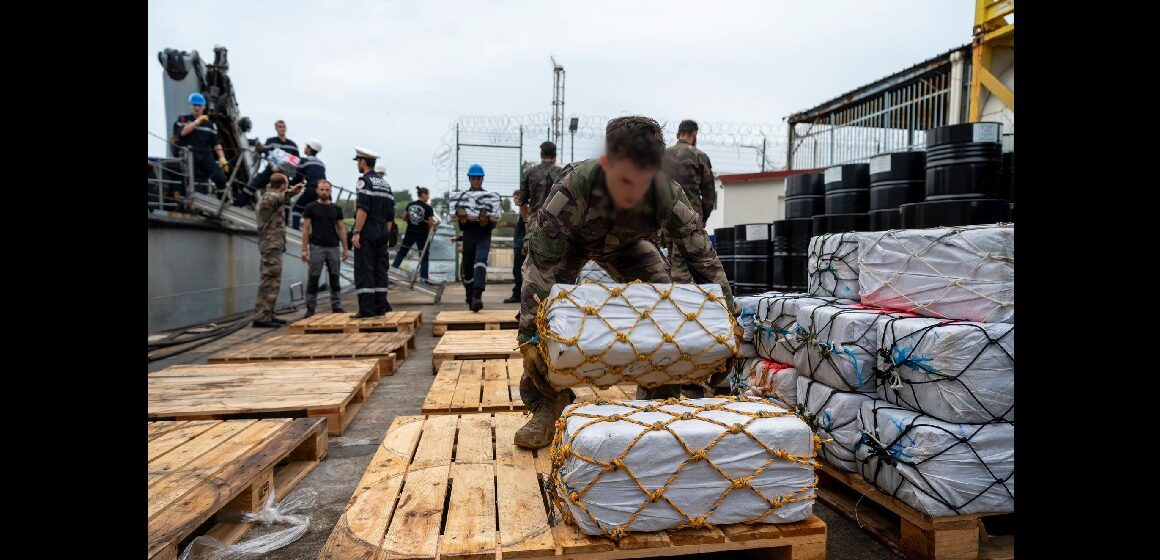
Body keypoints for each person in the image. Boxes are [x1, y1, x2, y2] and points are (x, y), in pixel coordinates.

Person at [512, 116, 735, 449]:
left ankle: (659, 393)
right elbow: (540, 265)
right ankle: (547, 404)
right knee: (548, 314)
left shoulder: (666, 194)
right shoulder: (573, 188)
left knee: (663, 295)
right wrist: (528, 334)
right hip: (572, 243)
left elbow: (702, 257)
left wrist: (729, 320)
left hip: (628, 246)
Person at [662, 119, 716, 283]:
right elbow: (709, 194)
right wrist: (703, 218)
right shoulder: (699, 156)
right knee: (682, 267)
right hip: (689, 218)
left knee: (668, 261)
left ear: (678, 134)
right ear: (694, 134)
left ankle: (667, 300)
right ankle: (681, 304)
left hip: (665, 216)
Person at [507, 141, 562, 303]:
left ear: (541, 155)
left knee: (530, 261)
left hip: (535, 222)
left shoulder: (530, 173)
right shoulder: (562, 172)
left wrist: (526, 221)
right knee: (556, 261)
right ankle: (554, 299)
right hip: (556, 222)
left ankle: (529, 300)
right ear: (555, 154)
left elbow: (522, 201)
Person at [253, 172, 304, 328]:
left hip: (273, 244)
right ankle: (261, 317)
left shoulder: (270, 196)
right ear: (283, 185)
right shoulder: (270, 197)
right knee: (268, 279)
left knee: (273, 281)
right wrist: (293, 192)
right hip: (270, 244)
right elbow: (280, 198)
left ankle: (268, 314)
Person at [350, 147, 396, 318]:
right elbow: (391, 215)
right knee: (380, 270)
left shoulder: (364, 182)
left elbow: (362, 209)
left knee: (365, 269)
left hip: (368, 230)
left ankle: (366, 309)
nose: (358, 165)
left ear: (363, 162)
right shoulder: (385, 184)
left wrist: (357, 232)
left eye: (358, 162)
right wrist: (385, 234)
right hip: (383, 231)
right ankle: (380, 307)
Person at [300, 180, 348, 317]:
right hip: (316, 246)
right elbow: (306, 229)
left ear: (330, 191)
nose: (324, 192)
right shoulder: (310, 207)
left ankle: (336, 305)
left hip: (333, 246)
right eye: (322, 190)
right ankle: (310, 307)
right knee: (313, 277)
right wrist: (304, 249)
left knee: (335, 277)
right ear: (317, 190)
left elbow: (341, 228)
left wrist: (345, 248)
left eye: (327, 190)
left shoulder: (336, 209)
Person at [171, 92, 229, 195]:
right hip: (189, 156)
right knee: (185, 182)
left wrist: (222, 158)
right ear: (190, 105)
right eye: (194, 105)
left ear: (204, 107)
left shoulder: (210, 125)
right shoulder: (182, 120)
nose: (197, 108)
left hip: (205, 156)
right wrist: (197, 122)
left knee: (221, 179)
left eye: (199, 105)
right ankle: (182, 202)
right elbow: (183, 132)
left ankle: (221, 201)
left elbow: (216, 144)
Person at [456, 164, 495, 312]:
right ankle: (470, 296)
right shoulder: (463, 198)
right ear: (469, 179)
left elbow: (494, 221)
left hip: (483, 235)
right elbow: (461, 225)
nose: (476, 181)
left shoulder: (490, 198)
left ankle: (477, 296)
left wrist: (486, 221)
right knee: (467, 269)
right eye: (474, 178)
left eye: (479, 178)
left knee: (480, 263)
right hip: (469, 236)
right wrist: (463, 220)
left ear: (482, 179)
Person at [239, 120, 299, 207]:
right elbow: (267, 154)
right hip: (271, 170)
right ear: (276, 129)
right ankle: (238, 204)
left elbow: (296, 160)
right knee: (253, 185)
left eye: (283, 127)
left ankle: (285, 218)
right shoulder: (271, 141)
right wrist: (272, 165)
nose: (282, 129)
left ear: (286, 128)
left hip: (284, 175)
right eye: (280, 127)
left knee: (286, 196)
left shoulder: (293, 145)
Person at [392, 186, 436, 283]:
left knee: (402, 252)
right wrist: (429, 231)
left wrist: (411, 222)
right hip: (422, 234)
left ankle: (392, 271)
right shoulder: (428, 207)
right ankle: (424, 279)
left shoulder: (410, 205)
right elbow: (430, 223)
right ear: (423, 194)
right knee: (424, 256)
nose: (428, 197)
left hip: (410, 232)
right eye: (428, 194)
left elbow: (404, 217)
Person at [290, 139, 327, 230]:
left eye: (307, 147)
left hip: (311, 189)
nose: (305, 148)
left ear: (310, 149)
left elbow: (298, 178)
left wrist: (289, 182)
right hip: (323, 190)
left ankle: (294, 230)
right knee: (313, 211)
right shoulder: (321, 164)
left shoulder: (304, 160)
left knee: (297, 208)